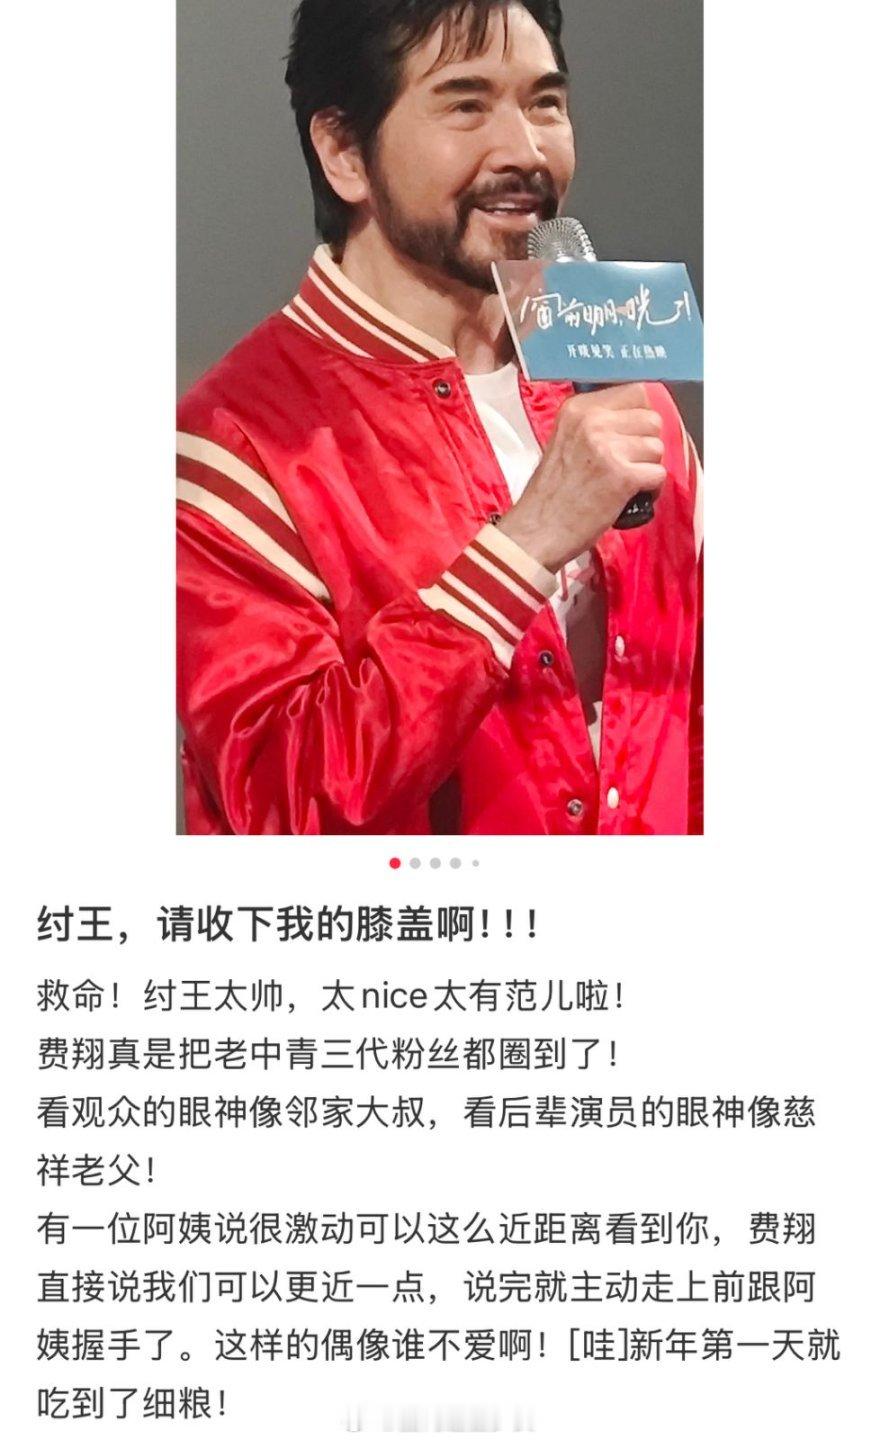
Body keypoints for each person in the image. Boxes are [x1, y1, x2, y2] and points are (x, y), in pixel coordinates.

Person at [176, 0, 703, 836]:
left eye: (545, 103)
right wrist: (527, 543)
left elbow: (693, 721)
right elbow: (287, 802)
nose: (524, 150)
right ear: (344, 152)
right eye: (466, 104)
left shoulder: (620, 387)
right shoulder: (236, 445)